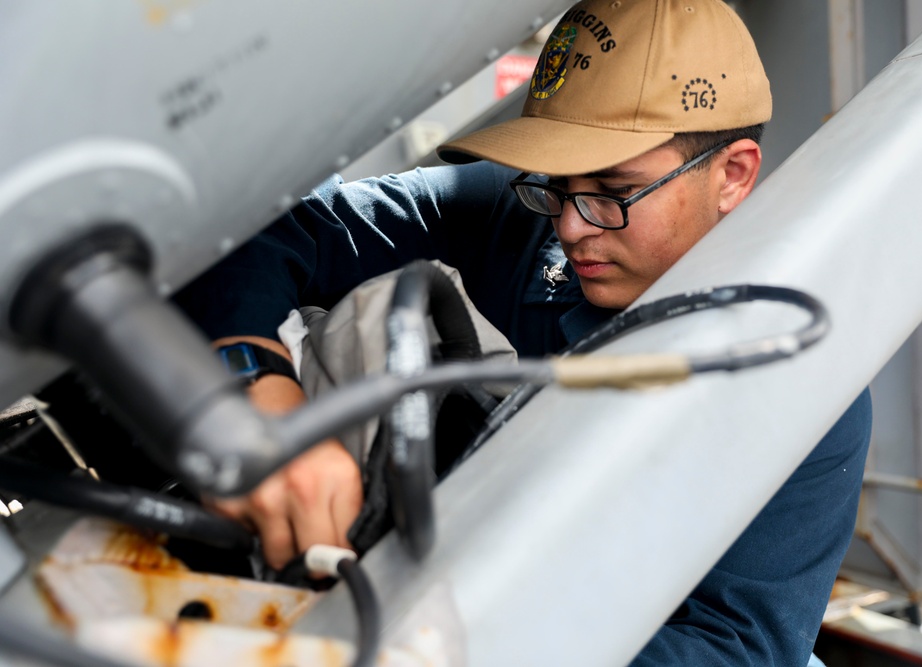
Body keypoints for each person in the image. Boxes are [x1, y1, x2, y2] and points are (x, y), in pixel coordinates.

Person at [175, 0, 872, 663]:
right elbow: (268, 230)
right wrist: (251, 380)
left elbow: (739, 646)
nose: (569, 227)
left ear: (733, 175)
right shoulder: (518, 218)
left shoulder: (801, 374)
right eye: (557, 185)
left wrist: (469, 636)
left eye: (611, 190)